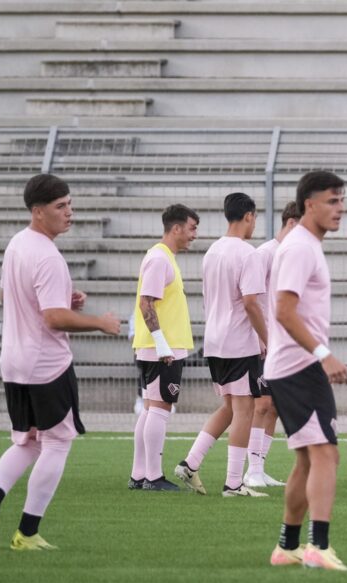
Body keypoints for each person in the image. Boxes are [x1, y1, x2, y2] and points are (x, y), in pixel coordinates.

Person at [0, 173, 121, 551]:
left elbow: (11, 297)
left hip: (14, 362)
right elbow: (53, 319)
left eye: (70, 204)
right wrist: (99, 323)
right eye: (60, 207)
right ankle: (27, 532)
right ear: (38, 212)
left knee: (28, 441)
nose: (69, 213)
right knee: (57, 442)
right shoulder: (48, 256)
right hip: (46, 365)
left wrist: (63, 301)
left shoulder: (17, 244)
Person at [264, 171, 347, 570]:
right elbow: (284, 310)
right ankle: (318, 546)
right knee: (326, 454)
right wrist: (323, 354)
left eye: (341, 200)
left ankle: (288, 546)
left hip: (292, 365)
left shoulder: (305, 245)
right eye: (332, 201)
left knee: (306, 458)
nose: (340, 208)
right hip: (300, 365)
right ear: (309, 205)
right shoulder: (301, 247)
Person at [174, 192, 269, 498]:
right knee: (245, 409)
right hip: (239, 342)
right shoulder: (248, 254)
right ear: (250, 216)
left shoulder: (212, 251)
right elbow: (252, 303)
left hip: (215, 340)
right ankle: (233, 483)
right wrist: (267, 338)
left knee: (229, 407)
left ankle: (190, 461)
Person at [129, 203, 199, 491]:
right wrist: (161, 343)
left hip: (160, 347)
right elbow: (147, 301)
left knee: (150, 409)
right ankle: (153, 477)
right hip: (162, 350)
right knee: (159, 409)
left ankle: (139, 474)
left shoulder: (162, 257)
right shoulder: (160, 259)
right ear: (177, 228)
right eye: (192, 228)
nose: (194, 235)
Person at [244, 201, 301, 488]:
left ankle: (259, 466)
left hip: (283, 344)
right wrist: (262, 337)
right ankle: (251, 470)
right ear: (291, 223)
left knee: (275, 405)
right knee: (262, 404)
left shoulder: (291, 256)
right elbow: (252, 301)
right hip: (265, 344)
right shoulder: (264, 254)